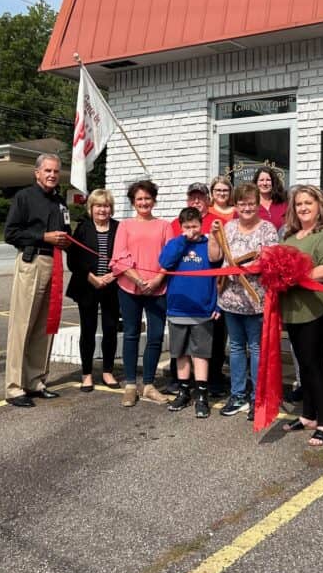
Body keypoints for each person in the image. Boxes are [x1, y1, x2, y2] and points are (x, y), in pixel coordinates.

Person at [2, 153, 71, 408]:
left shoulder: (60, 202)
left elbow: (66, 231)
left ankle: (35, 381)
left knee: (45, 325)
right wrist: (44, 236)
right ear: (37, 173)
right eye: (47, 171)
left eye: (56, 171)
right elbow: (11, 233)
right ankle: (14, 387)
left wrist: (65, 239)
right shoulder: (24, 197)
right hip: (32, 262)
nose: (52, 175)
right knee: (22, 325)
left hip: (55, 263)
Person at [278, 185, 323, 447]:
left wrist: (296, 277)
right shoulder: (290, 237)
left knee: (313, 365)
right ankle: (308, 415)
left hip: (316, 309)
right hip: (293, 311)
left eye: (308, 203)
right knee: (303, 365)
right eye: (299, 204)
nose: (303, 208)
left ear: (320, 206)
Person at [209, 182, 279, 422]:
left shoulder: (267, 229)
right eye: (242, 204)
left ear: (258, 204)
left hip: (256, 300)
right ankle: (238, 394)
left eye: (251, 203)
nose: (247, 208)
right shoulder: (228, 227)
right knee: (237, 347)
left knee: (257, 348)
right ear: (236, 206)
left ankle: (257, 397)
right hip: (230, 300)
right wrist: (214, 236)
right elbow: (215, 257)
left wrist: (246, 266)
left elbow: (271, 262)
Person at [111, 180, 171, 407]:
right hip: (129, 287)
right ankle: (129, 385)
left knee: (155, 336)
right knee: (131, 334)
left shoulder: (164, 226)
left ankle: (149, 384)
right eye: (139, 199)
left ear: (154, 200)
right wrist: (138, 279)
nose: (144, 202)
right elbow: (119, 257)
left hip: (158, 288)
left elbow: (170, 257)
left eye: (147, 198)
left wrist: (156, 280)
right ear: (133, 202)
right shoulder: (125, 226)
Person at [160, 207, 224, 417]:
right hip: (178, 308)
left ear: (201, 225)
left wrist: (216, 305)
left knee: (201, 354)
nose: (191, 231)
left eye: (195, 226)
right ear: (180, 227)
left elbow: (218, 271)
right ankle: (183, 391)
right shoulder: (175, 243)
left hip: (202, 309)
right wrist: (182, 240)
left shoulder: (208, 244)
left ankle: (202, 395)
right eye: (187, 227)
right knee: (180, 353)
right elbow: (164, 262)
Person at [66, 188, 120, 392]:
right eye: (98, 206)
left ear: (111, 208)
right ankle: (87, 374)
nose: (102, 210)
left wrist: (112, 275)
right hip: (87, 286)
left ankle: (107, 371)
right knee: (87, 330)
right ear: (91, 208)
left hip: (112, 286)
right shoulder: (83, 228)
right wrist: (92, 278)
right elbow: (73, 260)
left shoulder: (119, 228)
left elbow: (125, 256)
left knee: (110, 330)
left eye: (106, 206)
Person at [254, 166, 288, 232]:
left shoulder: (283, 203)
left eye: (268, 180)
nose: (265, 183)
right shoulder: (250, 205)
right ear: (256, 183)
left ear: (273, 182)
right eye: (261, 180)